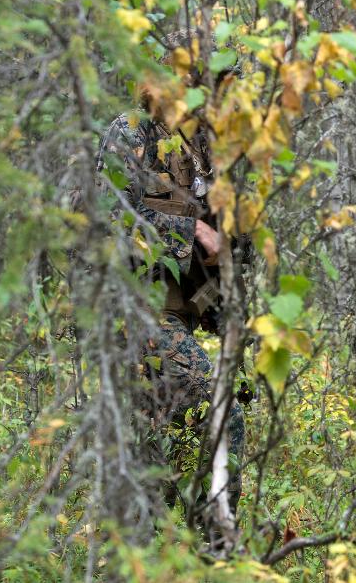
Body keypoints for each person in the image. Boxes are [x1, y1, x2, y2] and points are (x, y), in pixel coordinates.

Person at [95, 29, 244, 526]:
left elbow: (220, 247)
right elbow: (107, 215)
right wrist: (191, 228)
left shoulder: (202, 147)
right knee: (219, 419)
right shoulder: (132, 132)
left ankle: (181, 551)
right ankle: (213, 547)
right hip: (134, 312)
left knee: (162, 450)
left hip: (180, 315)